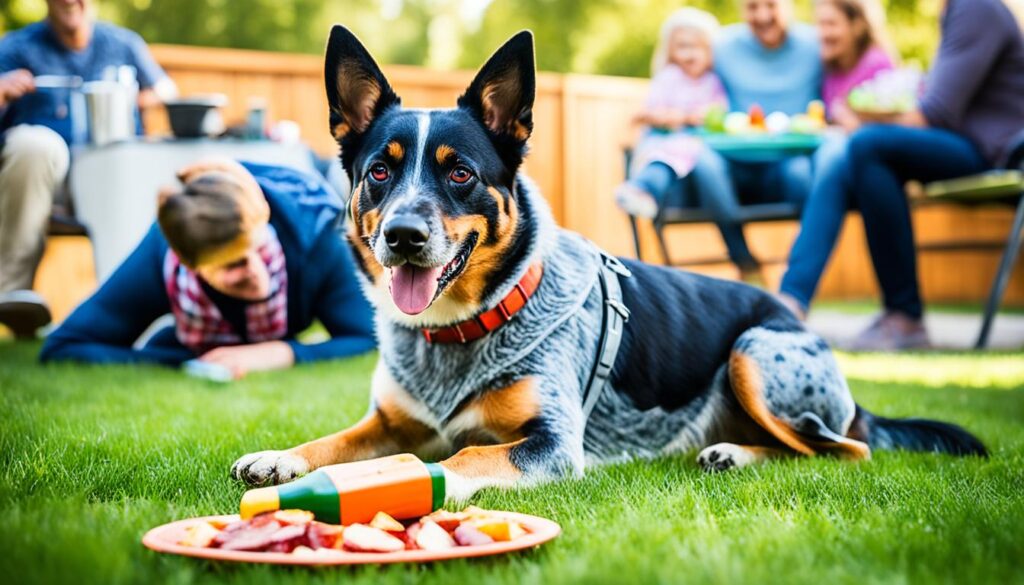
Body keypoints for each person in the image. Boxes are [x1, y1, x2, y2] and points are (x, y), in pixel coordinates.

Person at [782, 0, 1024, 350]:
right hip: (974, 144)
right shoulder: (960, 9)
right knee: (851, 159)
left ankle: (903, 314)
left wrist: (859, 119)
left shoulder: (976, 7)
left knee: (867, 145)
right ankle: (794, 300)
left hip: (998, 152)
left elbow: (935, 113)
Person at [40, 159, 376, 378]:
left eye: (260, 249)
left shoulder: (317, 237)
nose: (257, 273)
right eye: (234, 265)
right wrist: (187, 362)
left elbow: (368, 335)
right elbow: (64, 347)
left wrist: (281, 352)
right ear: (190, 266)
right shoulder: (164, 250)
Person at [0, 0, 177, 338]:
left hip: (116, 177)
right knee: (35, 144)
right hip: (44, 181)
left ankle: (135, 315)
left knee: (144, 165)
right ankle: (11, 294)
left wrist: (136, 98)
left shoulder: (123, 44)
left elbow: (167, 90)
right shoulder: (15, 49)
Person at [679, 0, 823, 279]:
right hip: (733, 166)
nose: (762, 16)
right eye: (752, 7)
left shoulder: (814, 44)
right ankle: (745, 262)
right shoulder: (721, 45)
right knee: (704, 162)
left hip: (787, 163)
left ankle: (797, 273)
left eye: (771, 6)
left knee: (803, 175)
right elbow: (684, 69)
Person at [777, 0, 894, 320]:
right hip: (827, 171)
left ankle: (793, 295)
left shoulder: (877, 65)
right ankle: (790, 292)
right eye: (819, 25)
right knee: (798, 172)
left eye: (831, 24)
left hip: (863, 176)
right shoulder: (831, 68)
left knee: (831, 160)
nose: (822, 34)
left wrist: (851, 123)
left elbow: (891, 131)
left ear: (856, 25)